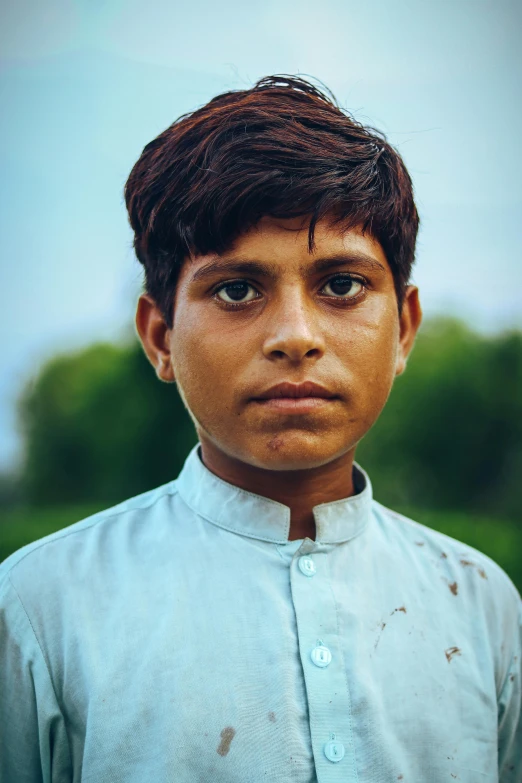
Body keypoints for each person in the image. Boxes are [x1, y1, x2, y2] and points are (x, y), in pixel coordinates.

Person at [0, 76, 520, 783]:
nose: (295, 336)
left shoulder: (482, 603)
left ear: (404, 328)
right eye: (237, 289)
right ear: (159, 336)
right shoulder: (40, 607)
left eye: (340, 284)